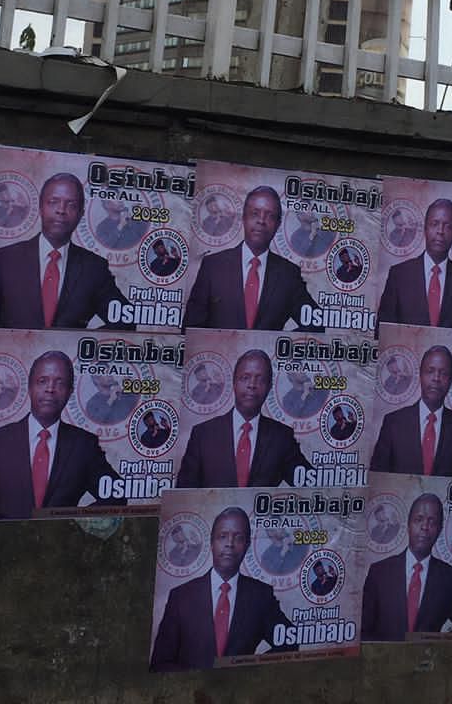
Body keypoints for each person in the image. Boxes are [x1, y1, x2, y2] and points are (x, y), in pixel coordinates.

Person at [0, 350, 125, 520]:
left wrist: (73, 524)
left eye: (60, 383)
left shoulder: (84, 445)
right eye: (42, 381)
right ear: (30, 387)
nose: (50, 389)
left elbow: (117, 496)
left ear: (69, 392)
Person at [0, 173, 127, 330]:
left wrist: (82, 344)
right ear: (40, 208)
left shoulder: (94, 268)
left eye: (71, 204)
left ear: (80, 214)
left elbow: (125, 320)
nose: (61, 210)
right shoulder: (4, 260)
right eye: (53, 202)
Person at [150, 506, 297, 670]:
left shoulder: (261, 596)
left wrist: (251, 670)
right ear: (212, 543)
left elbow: (290, 642)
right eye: (222, 536)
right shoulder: (180, 597)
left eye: (238, 537)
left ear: (247, 545)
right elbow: (159, 664)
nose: (229, 544)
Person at [183, 186, 319, 331]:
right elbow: (190, 330)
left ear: (278, 224)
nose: (261, 220)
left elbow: (316, 323)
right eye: (254, 213)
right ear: (244, 218)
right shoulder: (213, 266)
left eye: (270, 215)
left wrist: (279, 342)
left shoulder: (288, 274)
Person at [177, 350, 310, 488]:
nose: (252, 385)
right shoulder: (202, 434)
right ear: (234, 383)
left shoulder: (282, 437)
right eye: (245, 378)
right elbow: (184, 493)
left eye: (260, 379)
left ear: (269, 387)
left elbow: (311, 484)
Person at [362, 493, 452, 640]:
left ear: (439, 529)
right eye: (419, 519)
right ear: (408, 525)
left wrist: (437, 646)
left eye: (432, 521)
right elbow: (364, 630)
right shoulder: (379, 572)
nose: (425, 527)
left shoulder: (449, 577)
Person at [370, 345, 452, 477]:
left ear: (451, 380)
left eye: (444, 373)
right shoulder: (393, 423)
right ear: (420, 374)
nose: (436, 378)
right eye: (430, 371)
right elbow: (376, 477)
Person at [377, 199, 452, 329]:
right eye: (434, 223)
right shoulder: (399, 275)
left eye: (448, 226)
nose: (440, 231)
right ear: (425, 228)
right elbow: (381, 333)